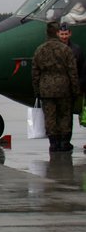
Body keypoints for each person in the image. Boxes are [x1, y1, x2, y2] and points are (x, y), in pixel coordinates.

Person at [32, 21, 80, 152]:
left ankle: (53, 143)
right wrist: (75, 89)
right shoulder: (65, 49)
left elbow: (35, 72)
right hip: (64, 87)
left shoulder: (40, 50)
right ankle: (65, 142)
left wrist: (37, 90)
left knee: (50, 116)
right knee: (65, 115)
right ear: (57, 32)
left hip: (46, 88)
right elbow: (72, 71)